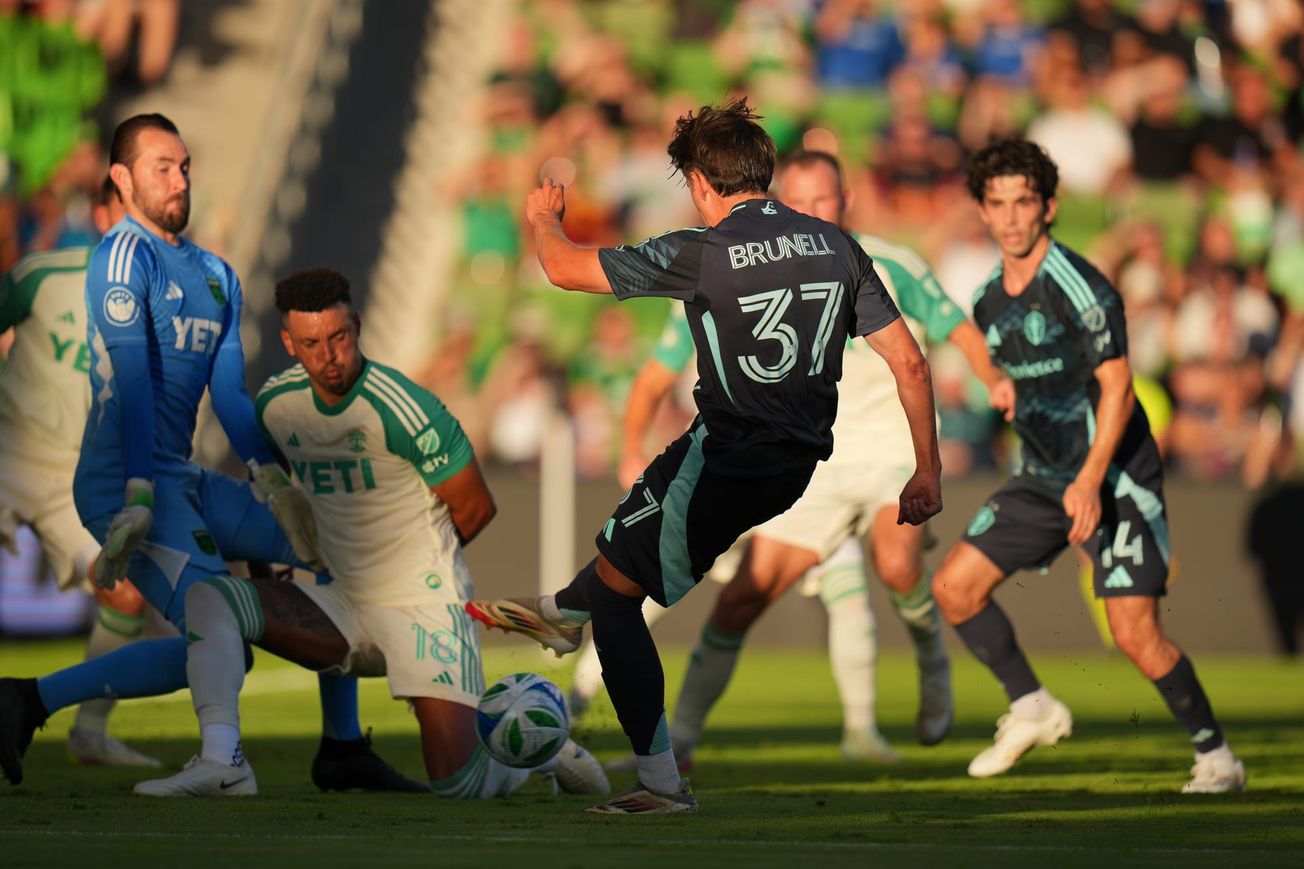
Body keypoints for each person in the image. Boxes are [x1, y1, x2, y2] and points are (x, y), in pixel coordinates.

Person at [466, 99, 943, 814]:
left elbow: (564, 270)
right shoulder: (837, 245)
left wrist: (541, 216)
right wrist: (927, 468)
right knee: (620, 560)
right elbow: (909, 362)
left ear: (700, 182)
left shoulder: (706, 250)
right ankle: (563, 610)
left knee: (620, 603)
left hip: (725, 457)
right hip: (794, 464)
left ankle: (658, 781)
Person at [0, 114, 417, 794]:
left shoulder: (217, 275)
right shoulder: (121, 257)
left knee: (333, 544)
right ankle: (224, 762)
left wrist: (276, 483)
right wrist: (137, 491)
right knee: (218, 625)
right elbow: (132, 382)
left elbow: (228, 394)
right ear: (121, 179)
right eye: (162, 166)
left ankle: (342, 747)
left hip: (183, 476)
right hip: (120, 480)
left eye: (185, 165)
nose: (179, 179)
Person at [132, 268, 608, 798]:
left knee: (459, 788)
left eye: (338, 338)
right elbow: (283, 488)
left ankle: (540, 750)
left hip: (420, 603)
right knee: (210, 598)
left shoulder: (403, 407)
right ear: (289, 343)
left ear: (357, 325)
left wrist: (402, 565)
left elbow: (475, 507)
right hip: (343, 603)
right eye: (311, 343)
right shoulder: (277, 404)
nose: (328, 355)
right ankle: (223, 763)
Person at [659, 150, 1007, 766]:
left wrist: (994, 382)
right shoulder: (761, 265)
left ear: (845, 201)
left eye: (825, 199)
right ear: (779, 203)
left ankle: (931, 664)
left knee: (896, 561)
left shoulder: (891, 261)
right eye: (801, 201)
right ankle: (677, 742)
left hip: (888, 445)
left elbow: (955, 330)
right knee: (744, 595)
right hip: (815, 456)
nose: (814, 211)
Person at [931, 138, 1246, 793]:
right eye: (999, 204)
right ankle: (1033, 706)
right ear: (983, 212)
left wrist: (1090, 480)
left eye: (1024, 202)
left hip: (1116, 475)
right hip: (1045, 475)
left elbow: (1119, 387)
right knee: (954, 588)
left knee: (1134, 633)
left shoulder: (1081, 286)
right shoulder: (990, 298)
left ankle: (1217, 756)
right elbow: (1006, 368)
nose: (1012, 216)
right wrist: (998, 385)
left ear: (1049, 207)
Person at [0, 177, 160, 767]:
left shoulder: (161, 298)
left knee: (126, 593)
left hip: (77, 473)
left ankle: (88, 732)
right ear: (100, 214)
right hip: (9, 451)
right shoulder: (43, 273)